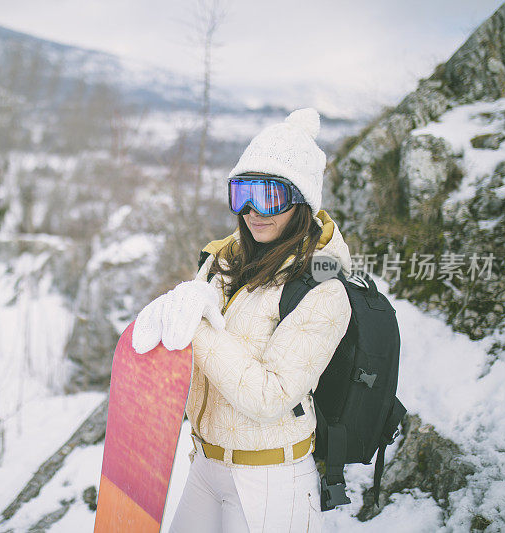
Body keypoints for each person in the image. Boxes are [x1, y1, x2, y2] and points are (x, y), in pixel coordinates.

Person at [132, 108, 353, 533]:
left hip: (272, 480)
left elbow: (271, 396)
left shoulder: (323, 289)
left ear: (302, 201)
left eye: (270, 195)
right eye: (242, 194)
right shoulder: (223, 261)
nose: (254, 211)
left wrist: (196, 326)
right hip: (205, 465)